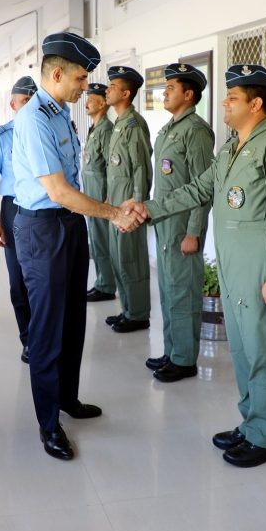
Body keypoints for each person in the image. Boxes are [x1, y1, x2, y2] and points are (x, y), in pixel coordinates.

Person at [124, 64, 266, 468]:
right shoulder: (229, 147)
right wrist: (148, 208)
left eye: (233, 97)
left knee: (264, 350)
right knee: (242, 349)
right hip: (233, 265)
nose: (224, 103)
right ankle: (252, 422)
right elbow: (197, 189)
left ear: (256, 104)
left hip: (259, 267)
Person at [12, 32, 141, 461]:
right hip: (44, 229)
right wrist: (112, 213)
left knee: (72, 324)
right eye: (82, 78)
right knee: (48, 331)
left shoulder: (60, 113)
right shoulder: (33, 118)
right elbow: (59, 191)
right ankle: (49, 424)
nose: (86, 86)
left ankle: (68, 398)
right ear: (56, 73)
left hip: (68, 228)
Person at [147, 63, 216, 382]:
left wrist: (194, 233)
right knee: (168, 290)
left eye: (171, 88)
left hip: (182, 225)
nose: (165, 92)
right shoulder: (170, 127)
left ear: (189, 95)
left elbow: (204, 186)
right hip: (165, 221)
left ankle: (185, 359)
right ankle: (172, 350)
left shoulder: (197, 131)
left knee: (183, 291)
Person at [0, 76, 37, 363]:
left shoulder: (44, 131)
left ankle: (44, 338)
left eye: (32, 100)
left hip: (42, 210)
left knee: (42, 279)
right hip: (14, 209)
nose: (28, 106)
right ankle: (28, 339)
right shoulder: (1, 136)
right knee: (19, 280)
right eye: (23, 101)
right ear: (12, 104)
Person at [103, 65, 152, 333]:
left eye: (112, 87)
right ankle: (127, 309)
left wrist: (138, 206)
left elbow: (141, 168)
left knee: (131, 259)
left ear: (126, 93)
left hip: (129, 207)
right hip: (117, 205)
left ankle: (138, 314)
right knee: (119, 258)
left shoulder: (134, 125)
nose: (107, 90)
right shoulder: (120, 124)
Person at [80, 83, 117, 303]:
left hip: (101, 193)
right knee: (96, 239)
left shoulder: (106, 129)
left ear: (102, 103)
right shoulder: (95, 127)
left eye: (91, 99)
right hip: (92, 193)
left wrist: (110, 196)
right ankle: (102, 281)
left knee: (102, 240)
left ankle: (106, 286)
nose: (86, 103)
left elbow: (113, 166)